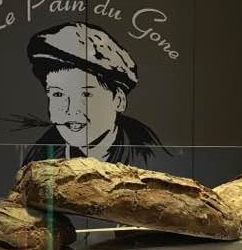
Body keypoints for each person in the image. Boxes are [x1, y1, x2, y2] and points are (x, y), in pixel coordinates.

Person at [14, 21, 166, 165]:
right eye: (58, 95)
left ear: (119, 100)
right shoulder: (39, 157)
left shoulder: (152, 159)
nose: (70, 110)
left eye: (85, 94)